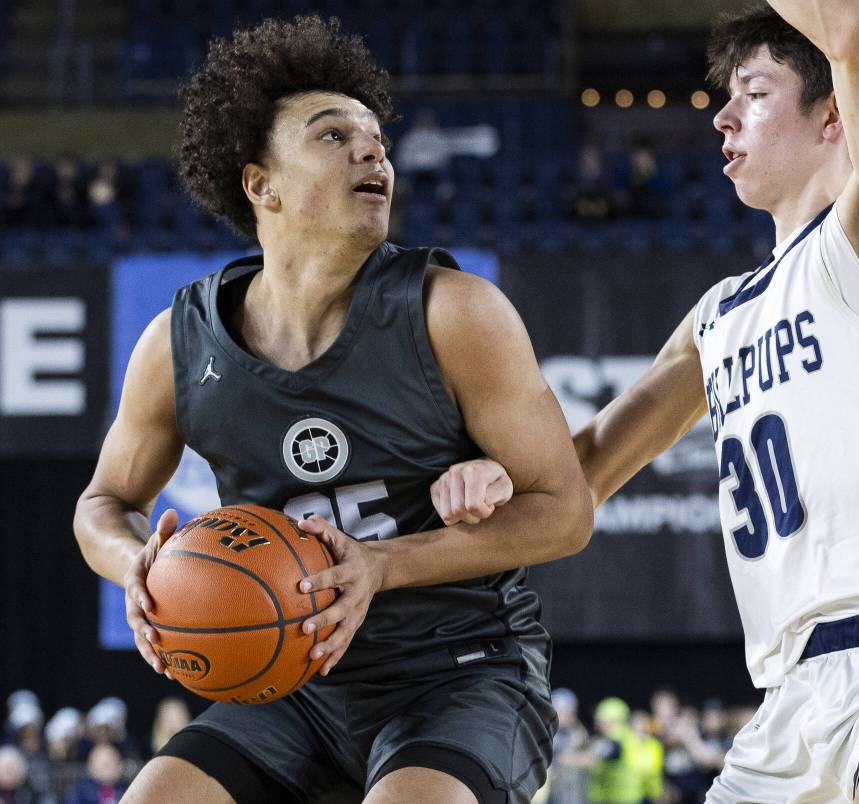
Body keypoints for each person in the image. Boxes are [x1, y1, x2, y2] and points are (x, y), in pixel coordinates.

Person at [432, 2, 859, 802]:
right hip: (789, 695)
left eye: (755, 92)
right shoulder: (721, 314)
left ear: (834, 115)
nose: (722, 117)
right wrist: (493, 484)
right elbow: (584, 473)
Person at [72, 15, 592, 804]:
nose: (371, 149)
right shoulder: (176, 344)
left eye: (377, 138)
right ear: (260, 184)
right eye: (331, 135)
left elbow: (565, 513)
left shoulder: (455, 312)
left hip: (459, 673)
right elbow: (102, 506)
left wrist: (381, 565)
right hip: (292, 685)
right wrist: (134, 563)